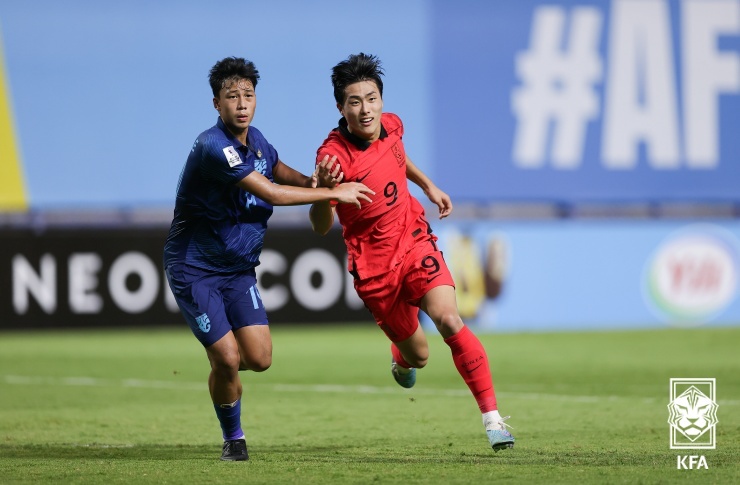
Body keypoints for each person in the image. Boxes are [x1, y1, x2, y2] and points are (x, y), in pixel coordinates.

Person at [163, 57, 373, 462]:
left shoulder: (255, 139)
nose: (241, 104)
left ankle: (220, 365)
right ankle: (234, 438)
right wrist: (334, 194)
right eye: (232, 97)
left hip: (238, 269)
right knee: (227, 358)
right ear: (216, 104)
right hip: (195, 268)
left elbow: (279, 172)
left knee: (258, 359)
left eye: (248, 95)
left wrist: (318, 181)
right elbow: (272, 193)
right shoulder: (213, 146)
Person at [309, 53, 515, 451]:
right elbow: (320, 226)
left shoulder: (392, 125)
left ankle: (493, 420)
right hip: (375, 270)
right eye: (355, 101)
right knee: (418, 356)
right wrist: (325, 193)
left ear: (381, 100)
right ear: (340, 107)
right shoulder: (332, 159)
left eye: (372, 98)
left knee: (449, 319)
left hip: (414, 241)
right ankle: (401, 356)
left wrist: (427, 185)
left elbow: (399, 157)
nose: (365, 109)